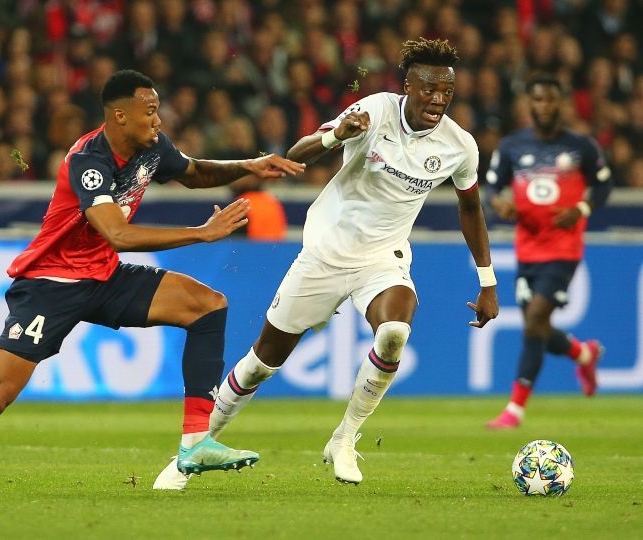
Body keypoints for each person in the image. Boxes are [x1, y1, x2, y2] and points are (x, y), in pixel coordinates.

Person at [0, 69, 306, 493]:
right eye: (150, 111)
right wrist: (201, 234)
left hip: (102, 275)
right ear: (120, 116)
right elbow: (116, 233)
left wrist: (249, 165)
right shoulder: (88, 161)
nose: (158, 121)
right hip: (51, 282)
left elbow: (195, 172)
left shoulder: (153, 148)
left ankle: (194, 443)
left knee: (207, 304)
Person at [153, 38, 500, 489]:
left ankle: (344, 437)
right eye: (428, 88)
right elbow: (296, 155)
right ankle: (189, 454)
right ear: (407, 86)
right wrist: (337, 135)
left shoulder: (459, 145)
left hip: (383, 257)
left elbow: (470, 209)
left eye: (446, 92)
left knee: (394, 332)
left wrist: (488, 282)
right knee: (262, 362)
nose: (437, 99)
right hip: (324, 253)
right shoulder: (374, 111)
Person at [484, 74, 613, 429]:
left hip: (563, 249)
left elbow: (604, 185)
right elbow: (491, 188)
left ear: (561, 104)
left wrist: (582, 209)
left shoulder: (581, 147)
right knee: (535, 326)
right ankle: (584, 353)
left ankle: (514, 410)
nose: (544, 106)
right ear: (530, 104)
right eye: (538, 99)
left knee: (536, 319)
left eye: (551, 100)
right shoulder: (511, 147)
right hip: (527, 250)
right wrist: (500, 204)